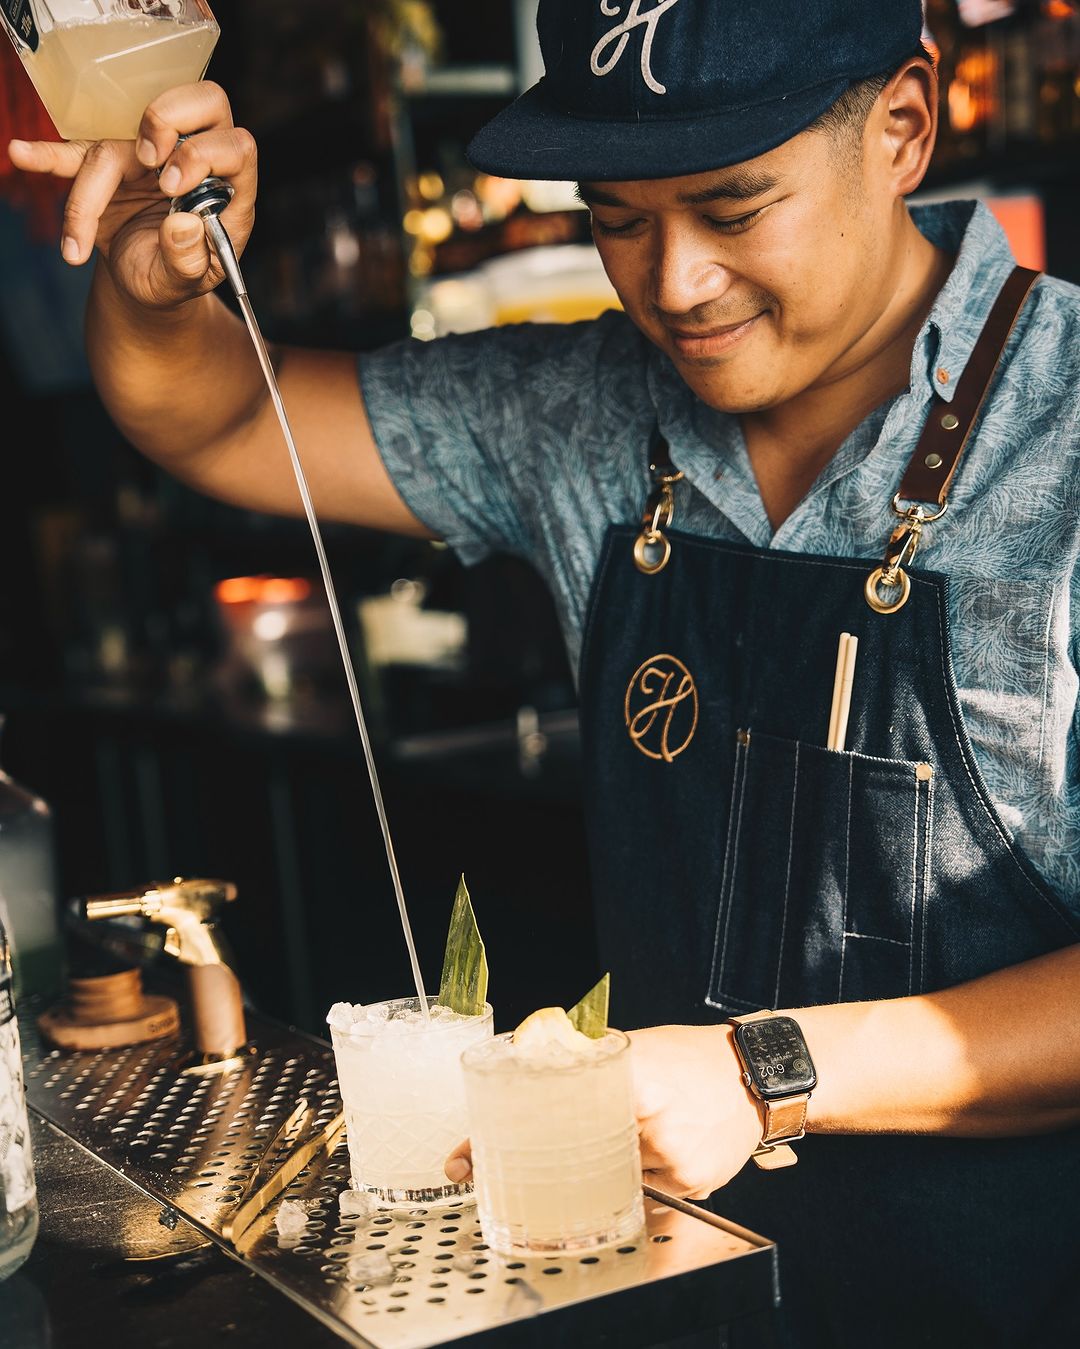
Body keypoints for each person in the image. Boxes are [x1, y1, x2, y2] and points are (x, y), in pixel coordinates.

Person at [9, 2, 1080, 1345]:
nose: (675, 284)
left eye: (735, 209)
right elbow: (220, 413)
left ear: (905, 127)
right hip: (678, 1297)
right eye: (617, 219)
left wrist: (765, 1072)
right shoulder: (584, 410)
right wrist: (155, 281)